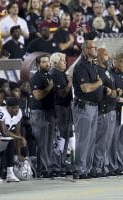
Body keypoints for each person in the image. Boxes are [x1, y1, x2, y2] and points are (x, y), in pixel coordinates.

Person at [72, 40, 104, 179]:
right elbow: (86, 88)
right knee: (83, 139)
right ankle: (79, 169)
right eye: (93, 48)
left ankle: (87, 168)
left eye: (96, 47)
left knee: (91, 140)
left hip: (93, 106)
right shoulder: (81, 67)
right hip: (84, 106)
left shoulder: (93, 65)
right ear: (85, 50)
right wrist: (98, 83)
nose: (96, 50)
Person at [0, 97, 27, 182]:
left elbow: (17, 132)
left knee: (11, 141)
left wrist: (18, 154)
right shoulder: (0, 111)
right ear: (7, 107)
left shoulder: (19, 113)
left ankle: (10, 173)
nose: (16, 110)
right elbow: (4, 132)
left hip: (2, 140)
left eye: (17, 107)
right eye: (13, 108)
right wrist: (20, 138)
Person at [91, 48, 117, 177]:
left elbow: (112, 88)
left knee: (107, 141)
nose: (108, 56)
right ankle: (97, 167)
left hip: (111, 108)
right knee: (101, 140)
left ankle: (104, 165)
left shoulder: (107, 71)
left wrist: (114, 92)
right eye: (106, 54)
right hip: (103, 109)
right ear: (100, 57)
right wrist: (108, 90)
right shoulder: (97, 70)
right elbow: (98, 88)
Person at [29, 55, 56, 177]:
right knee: (42, 142)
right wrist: (49, 87)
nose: (47, 64)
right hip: (39, 113)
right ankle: (42, 169)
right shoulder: (36, 77)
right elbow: (37, 96)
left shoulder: (49, 76)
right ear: (38, 65)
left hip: (49, 112)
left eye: (48, 61)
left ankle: (48, 166)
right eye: (44, 62)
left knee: (49, 142)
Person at [49, 52, 74, 173]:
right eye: (62, 60)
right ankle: (56, 165)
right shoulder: (55, 74)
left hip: (66, 108)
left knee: (66, 137)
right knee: (59, 137)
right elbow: (61, 93)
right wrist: (69, 84)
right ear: (55, 63)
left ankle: (62, 163)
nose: (65, 62)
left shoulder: (62, 74)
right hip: (59, 109)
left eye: (65, 60)